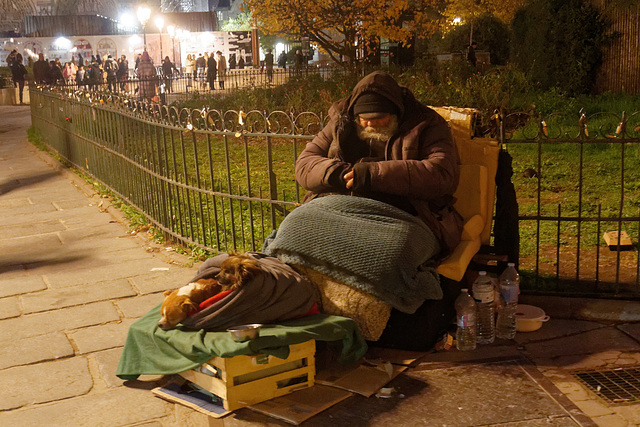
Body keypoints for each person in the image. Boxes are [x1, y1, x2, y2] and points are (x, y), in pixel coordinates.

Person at [294, 71, 463, 350]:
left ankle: (386, 323)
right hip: (340, 206)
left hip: (406, 212)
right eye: (365, 119)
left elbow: (441, 173)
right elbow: (305, 164)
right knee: (293, 229)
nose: (370, 123)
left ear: (396, 112)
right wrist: (333, 173)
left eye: (379, 118)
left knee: (387, 254)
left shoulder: (427, 123)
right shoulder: (341, 119)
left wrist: (374, 175)